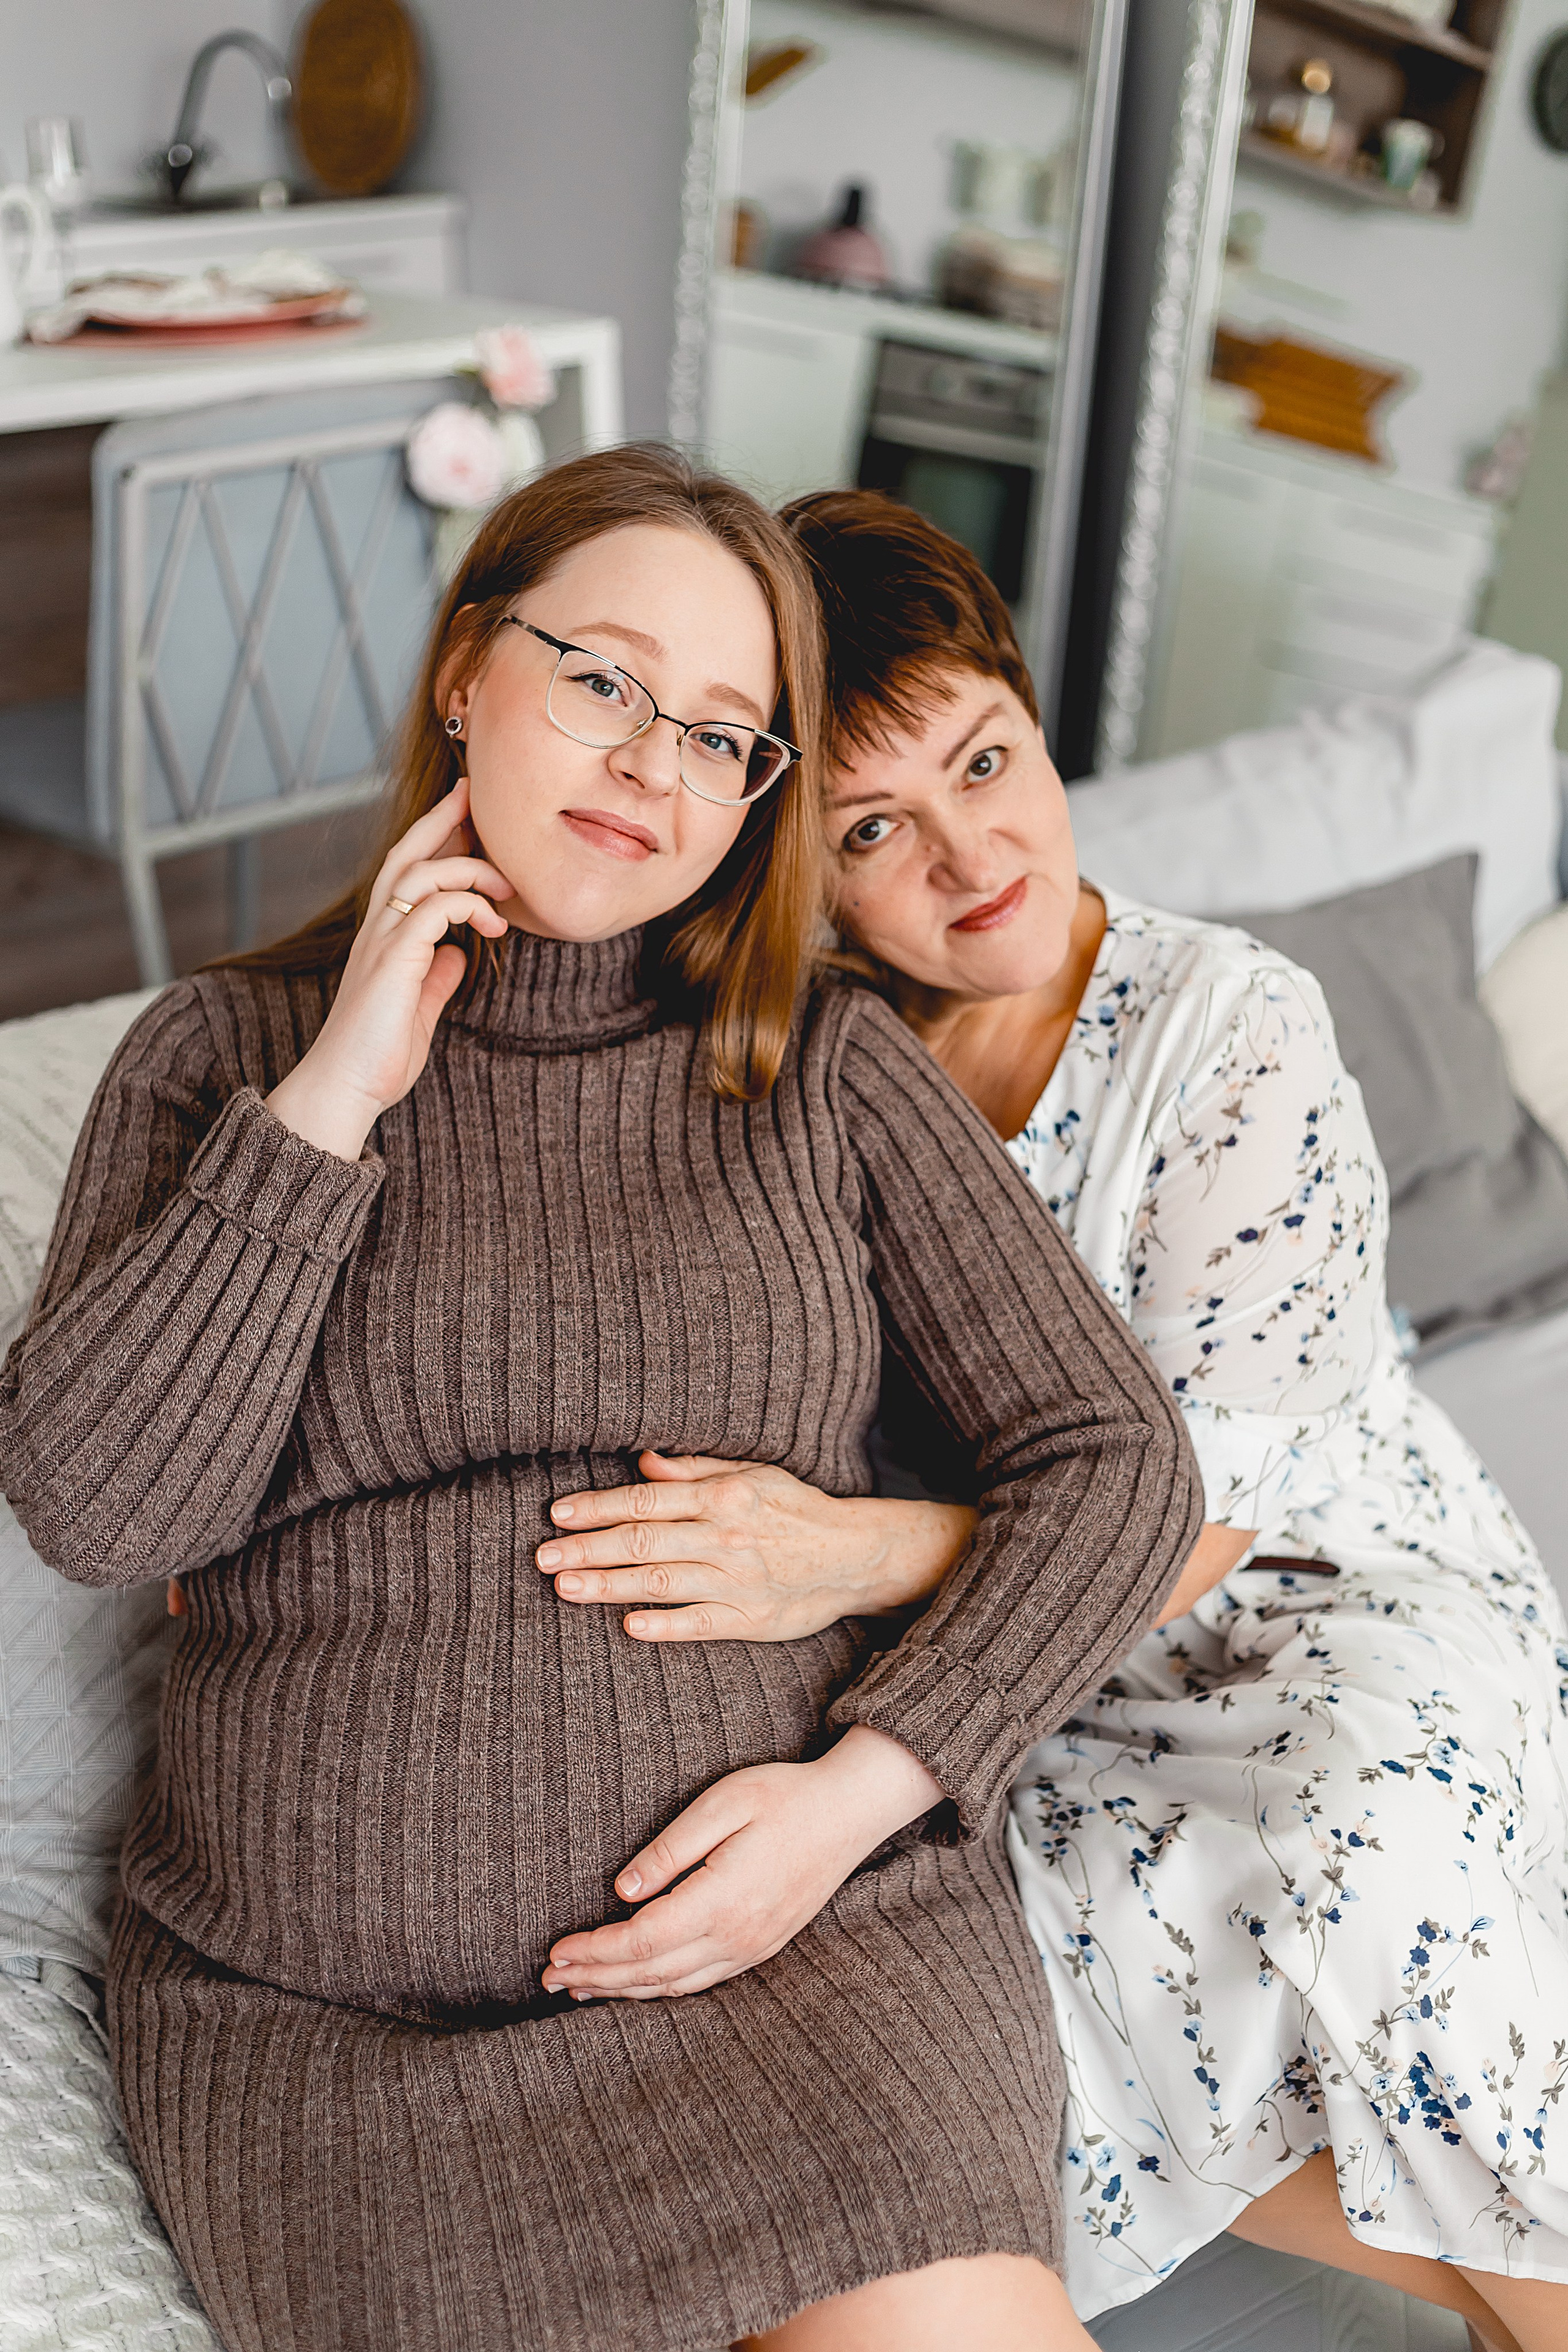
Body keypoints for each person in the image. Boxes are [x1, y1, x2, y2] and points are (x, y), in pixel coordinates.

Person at [0, 450, 1202, 2352]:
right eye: (604, 682)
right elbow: (101, 1506)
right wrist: (333, 1108)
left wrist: (851, 1801)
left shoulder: (826, 1069)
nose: (654, 767)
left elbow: (1118, 1460)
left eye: (727, 736)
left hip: (816, 1958)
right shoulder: (224, 1058)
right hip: (334, 2042)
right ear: (471, 667)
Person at [537, 490, 1568, 2352]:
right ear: (803, 867)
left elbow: (1197, 1528)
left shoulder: (1234, 1028)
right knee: (999, 1961)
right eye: (874, 827)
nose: (969, 853)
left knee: (1355, 1845)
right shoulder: (814, 1059)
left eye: (987, 762)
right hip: (1019, 1656)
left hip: (1316, 1584)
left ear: (1031, 715)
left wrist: (838, 1548)